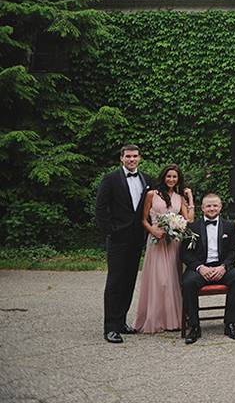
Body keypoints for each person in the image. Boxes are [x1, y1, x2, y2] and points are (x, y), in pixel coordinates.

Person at [95, 144, 153, 343]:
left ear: (140, 158)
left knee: (129, 281)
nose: (131, 159)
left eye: (135, 156)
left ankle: (121, 322)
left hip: (138, 238)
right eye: (128, 156)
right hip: (118, 238)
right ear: (122, 158)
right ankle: (110, 328)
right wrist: (110, 231)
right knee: (115, 282)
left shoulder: (146, 179)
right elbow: (100, 208)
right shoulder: (111, 178)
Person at [133, 164, 194, 333]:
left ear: (178, 179)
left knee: (172, 280)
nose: (171, 180)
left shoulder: (179, 197)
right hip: (156, 241)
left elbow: (189, 219)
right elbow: (143, 218)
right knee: (160, 280)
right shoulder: (152, 194)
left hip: (173, 242)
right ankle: (155, 318)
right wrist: (152, 230)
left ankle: (172, 319)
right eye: (169, 176)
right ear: (163, 177)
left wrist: (190, 198)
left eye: (175, 177)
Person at [180, 193, 235, 344]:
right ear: (202, 208)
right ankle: (194, 326)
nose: (212, 208)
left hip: (222, 267)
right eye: (208, 206)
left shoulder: (229, 226)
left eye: (215, 205)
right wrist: (199, 267)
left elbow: (234, 251)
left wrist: (224, 267)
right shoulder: (191, 227)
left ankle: (231, 324)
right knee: (189, 283)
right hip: (200, 268)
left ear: (220, 207)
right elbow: (185, 254)